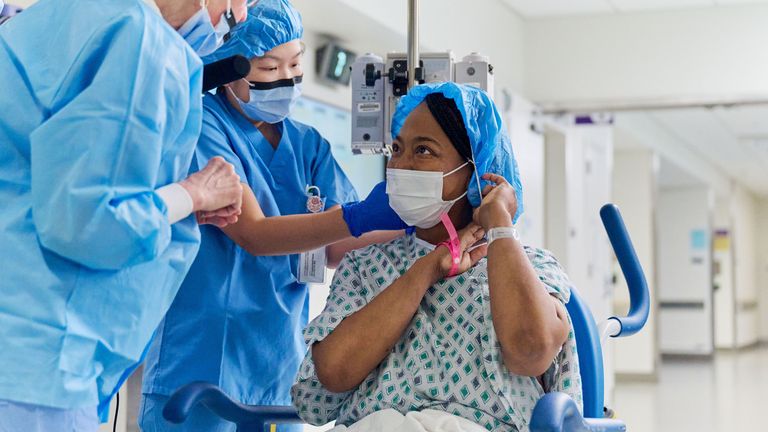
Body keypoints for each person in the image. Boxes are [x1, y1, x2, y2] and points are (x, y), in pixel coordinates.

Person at [139, 1, 406, 431]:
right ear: (229, 68)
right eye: (268, 69)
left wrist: (409, 224)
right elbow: (255, 234)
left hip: (279, 363)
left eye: (296, 63)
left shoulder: (309, 144)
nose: (287, 78)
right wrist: (358, 217)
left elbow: (337, 247)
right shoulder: (203, 122)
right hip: (203, 359)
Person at [0, 0, 249, 430]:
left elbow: (42, 179)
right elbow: (87, 221)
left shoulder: (55, 18)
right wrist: (191, 194)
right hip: (40, 365)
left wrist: (171, 208)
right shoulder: (136, 35)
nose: (240, 15)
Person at [292, 83, 583, 432]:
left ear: (475, 170)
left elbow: (530, 351)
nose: (401, 165)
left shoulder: (531, 265)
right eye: (397, 149)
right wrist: (425, 270)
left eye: (423, 150)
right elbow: (334, 372)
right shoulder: (364, 266)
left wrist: (500, 226)